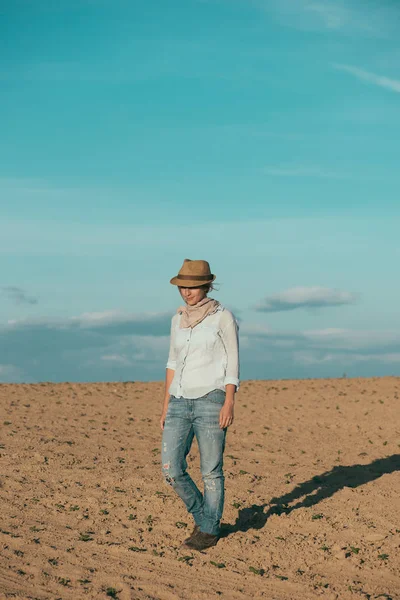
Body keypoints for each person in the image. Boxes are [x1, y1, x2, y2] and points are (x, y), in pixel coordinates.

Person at [160, 258, 240, 551]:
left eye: (193, 287)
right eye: (183, 286)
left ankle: (207, 531)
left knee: (211, 471)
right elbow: (172, 361)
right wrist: (165, 404)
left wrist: (229, 400)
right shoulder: (177, 319)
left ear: (206, 285)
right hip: (179, 401)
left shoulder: (223, 317)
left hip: (211, 399)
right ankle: (205, 517)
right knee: (171, 469)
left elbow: (232, 361)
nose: (187, 292)